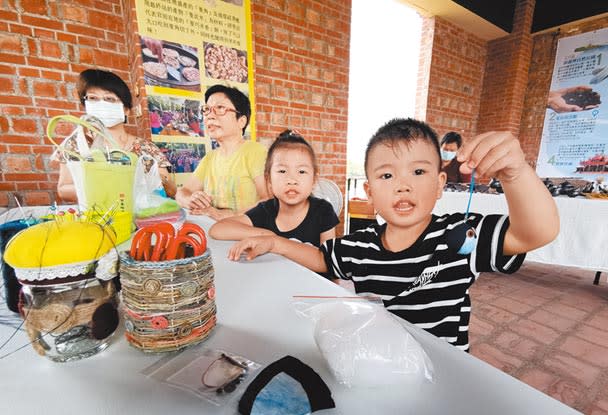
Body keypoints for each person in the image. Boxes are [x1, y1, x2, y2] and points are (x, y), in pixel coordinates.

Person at [226, 118, 559, 351]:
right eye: (387, 175)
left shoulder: (459, 235)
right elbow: (321, 258)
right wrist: (275, 242)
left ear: (440, 184)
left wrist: (516, 172)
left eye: (418, 171)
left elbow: (535, 233)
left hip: (446, 372)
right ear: (369, 192)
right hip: (381, 360)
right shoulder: (361, 245)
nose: (403, 184)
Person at [53, 69, 176, 200]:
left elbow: (170, 188)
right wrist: (104, 188)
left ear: (126, 110)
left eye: (109, 99)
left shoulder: (146, 147)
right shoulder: (76, 144)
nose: (101, 104)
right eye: (93, 98)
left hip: (140, 216)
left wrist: (143, 182)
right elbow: (63, 189)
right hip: (95, 216)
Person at [209, 130, 338, 247]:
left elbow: (328, 262)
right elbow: (217, 229)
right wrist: (267, 235)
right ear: (269, 179)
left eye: (302, 172)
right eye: (282, 171)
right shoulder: (266, 210)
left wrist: (278, 244)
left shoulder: (323, 211)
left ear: (314, 180)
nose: (292, 180)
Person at [175, 84, 269, 220]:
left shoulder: (255, 151)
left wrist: (226, 215)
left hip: (245, 235)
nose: (210, 116)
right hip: (214, 231)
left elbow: (269, 200)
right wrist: (191, 200)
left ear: (241, 121)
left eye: (220, 108)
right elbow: (182, 193)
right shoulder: (210, 158)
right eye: (207, 110)